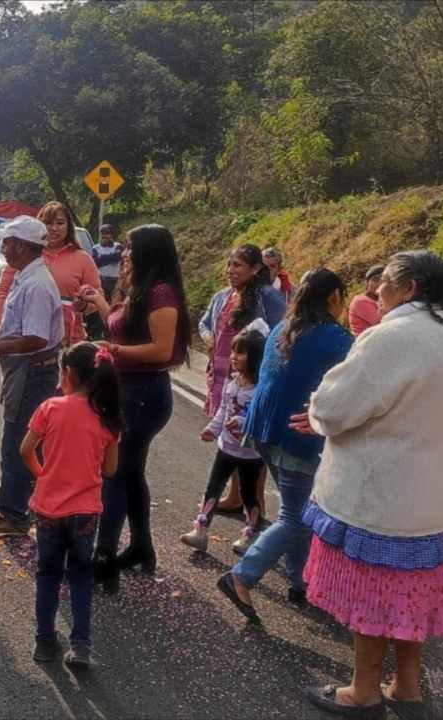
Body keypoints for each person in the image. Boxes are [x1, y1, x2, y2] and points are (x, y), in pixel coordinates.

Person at [294, 251, 443, 719]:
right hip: (431, 498)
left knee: (372, 598)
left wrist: (316, 409)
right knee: (407, 596)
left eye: (386, 284)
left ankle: (363, 691)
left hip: (381, 495)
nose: (376, 291)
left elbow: (335, 408)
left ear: (410, 288)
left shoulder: (390, 337)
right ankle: (407, 686)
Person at [217, 268, 353, 623]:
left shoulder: (283, 327)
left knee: (298, 510)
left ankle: (299, 582)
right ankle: (242, 576)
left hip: (262, 431)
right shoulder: (338, 339)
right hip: (297, 434)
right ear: (335, 297)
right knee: (297, 516)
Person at [78, 224, 190, 586]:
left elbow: (160, 349)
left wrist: (114, 351)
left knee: (115, 472)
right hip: (128, 388)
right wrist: (99, 303)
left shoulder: (161, 293)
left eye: (129, 248)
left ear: (148, 252)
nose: (123, 253)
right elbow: (123, 328)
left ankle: (103, 555)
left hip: (145, 393)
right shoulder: (137, 289)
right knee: (129, 472)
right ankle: (141, 546)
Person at [22, 342, 120, 670]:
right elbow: (109, 470)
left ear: (69, 374)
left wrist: (43, 475)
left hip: (49, 509)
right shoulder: (107, 419)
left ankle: (44, 639)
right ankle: (80, 645)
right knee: (80, 577)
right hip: (85, 513)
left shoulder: (50, 408)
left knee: (47, 574)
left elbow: (25, 450)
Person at [0, 216, 63, 539]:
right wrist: (0, 343)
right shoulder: (27, 277)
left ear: (22, 247)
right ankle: (26, 507)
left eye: (8, 242)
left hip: (33, 372)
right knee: (22, 439)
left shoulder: (37, 284)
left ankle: (14, 514)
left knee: (18, 442)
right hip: (26, 370)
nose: (4, 248)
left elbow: (36, 338)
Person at [197, 245, 286, 513]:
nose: (230, 270)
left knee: (253, 445)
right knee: (231, 436)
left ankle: (254, 504)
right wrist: (208, 337)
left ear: (256, 268)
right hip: (223, 379)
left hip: (253, 381)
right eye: (229, 264)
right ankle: (235, 496)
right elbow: (203, 323)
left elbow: (282, 334)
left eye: (238, 265)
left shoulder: (268, 297)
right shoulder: (223, 296)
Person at [181, 328, 267, 554]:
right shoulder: (233, 381)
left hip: (250, 453)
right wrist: (213, 428)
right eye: (233, 352)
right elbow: (222, 410)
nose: (234, 357)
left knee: (249, 494)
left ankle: (250, 533)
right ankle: (200, 530)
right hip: (226, 448)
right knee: (213, 488)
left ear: (256, 357)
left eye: (241, 353)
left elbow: (257, 418)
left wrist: (241, 421)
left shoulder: (261, 390)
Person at [0, 202, 100, 343]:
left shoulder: (83, 258)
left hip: (68, 341)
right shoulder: (25, 254)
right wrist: (2, 325)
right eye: (48, 223)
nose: (54, 228)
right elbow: (2, 291)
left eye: (60, 223)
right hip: (24, 340)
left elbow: (98, 296)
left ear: (69, 226)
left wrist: (85, 306)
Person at [347, 265, 385, 336]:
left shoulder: (382, 300)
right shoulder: (360, 301)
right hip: (364, 343)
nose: (379, 284)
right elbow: (383, 323)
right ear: (367, 282)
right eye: (375, 280)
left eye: (383, 281)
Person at [92, 223, 122, 301]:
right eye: (103, 233)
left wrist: (101, 258)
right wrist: (110, 258)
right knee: (101, 301)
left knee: (114, 301)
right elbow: (95, 263)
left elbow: (117, 258)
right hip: (101, 280)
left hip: (115, 280)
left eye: (107, 233)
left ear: (112, 235)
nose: (104, 236)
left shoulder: (118, 246)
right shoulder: (96, 248)